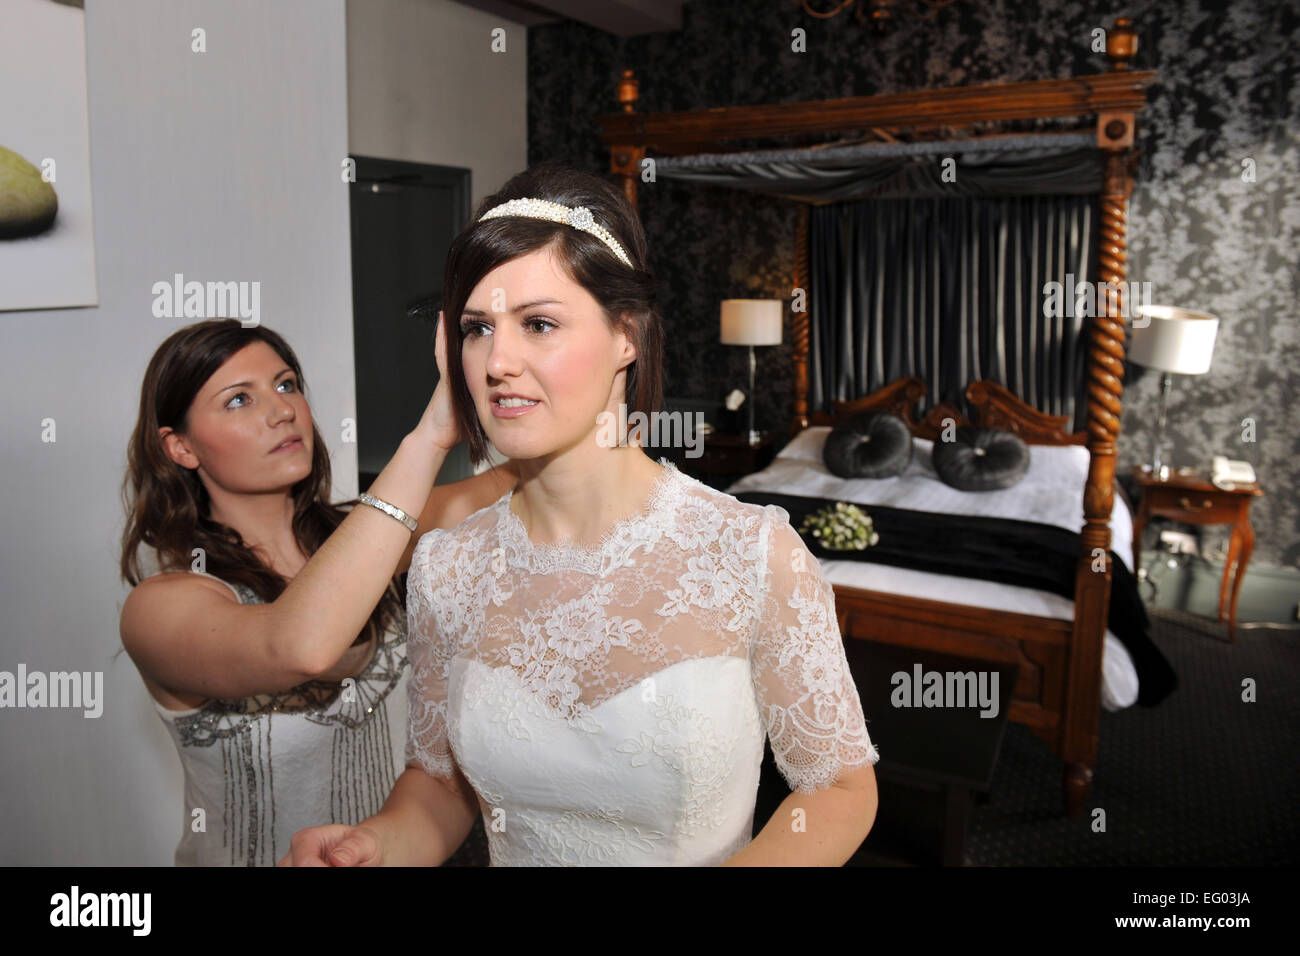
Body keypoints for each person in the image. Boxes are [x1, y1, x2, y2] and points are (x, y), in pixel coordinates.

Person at [282, 162, 880, 867]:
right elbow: (439, 788)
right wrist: (373, 844)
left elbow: (838, 788)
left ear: (626, 334)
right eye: (477, 328)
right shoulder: (447, 566)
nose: (498, 360)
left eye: (538, 323)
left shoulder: (751, 554)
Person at [118, 317, 514, 865]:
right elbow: (301, 645)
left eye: (286, 385)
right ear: (181, 447)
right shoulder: (161, 608)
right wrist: (427, 438)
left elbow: (516, 481)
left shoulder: (373, 540)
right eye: (238, 400)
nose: (282, 410)